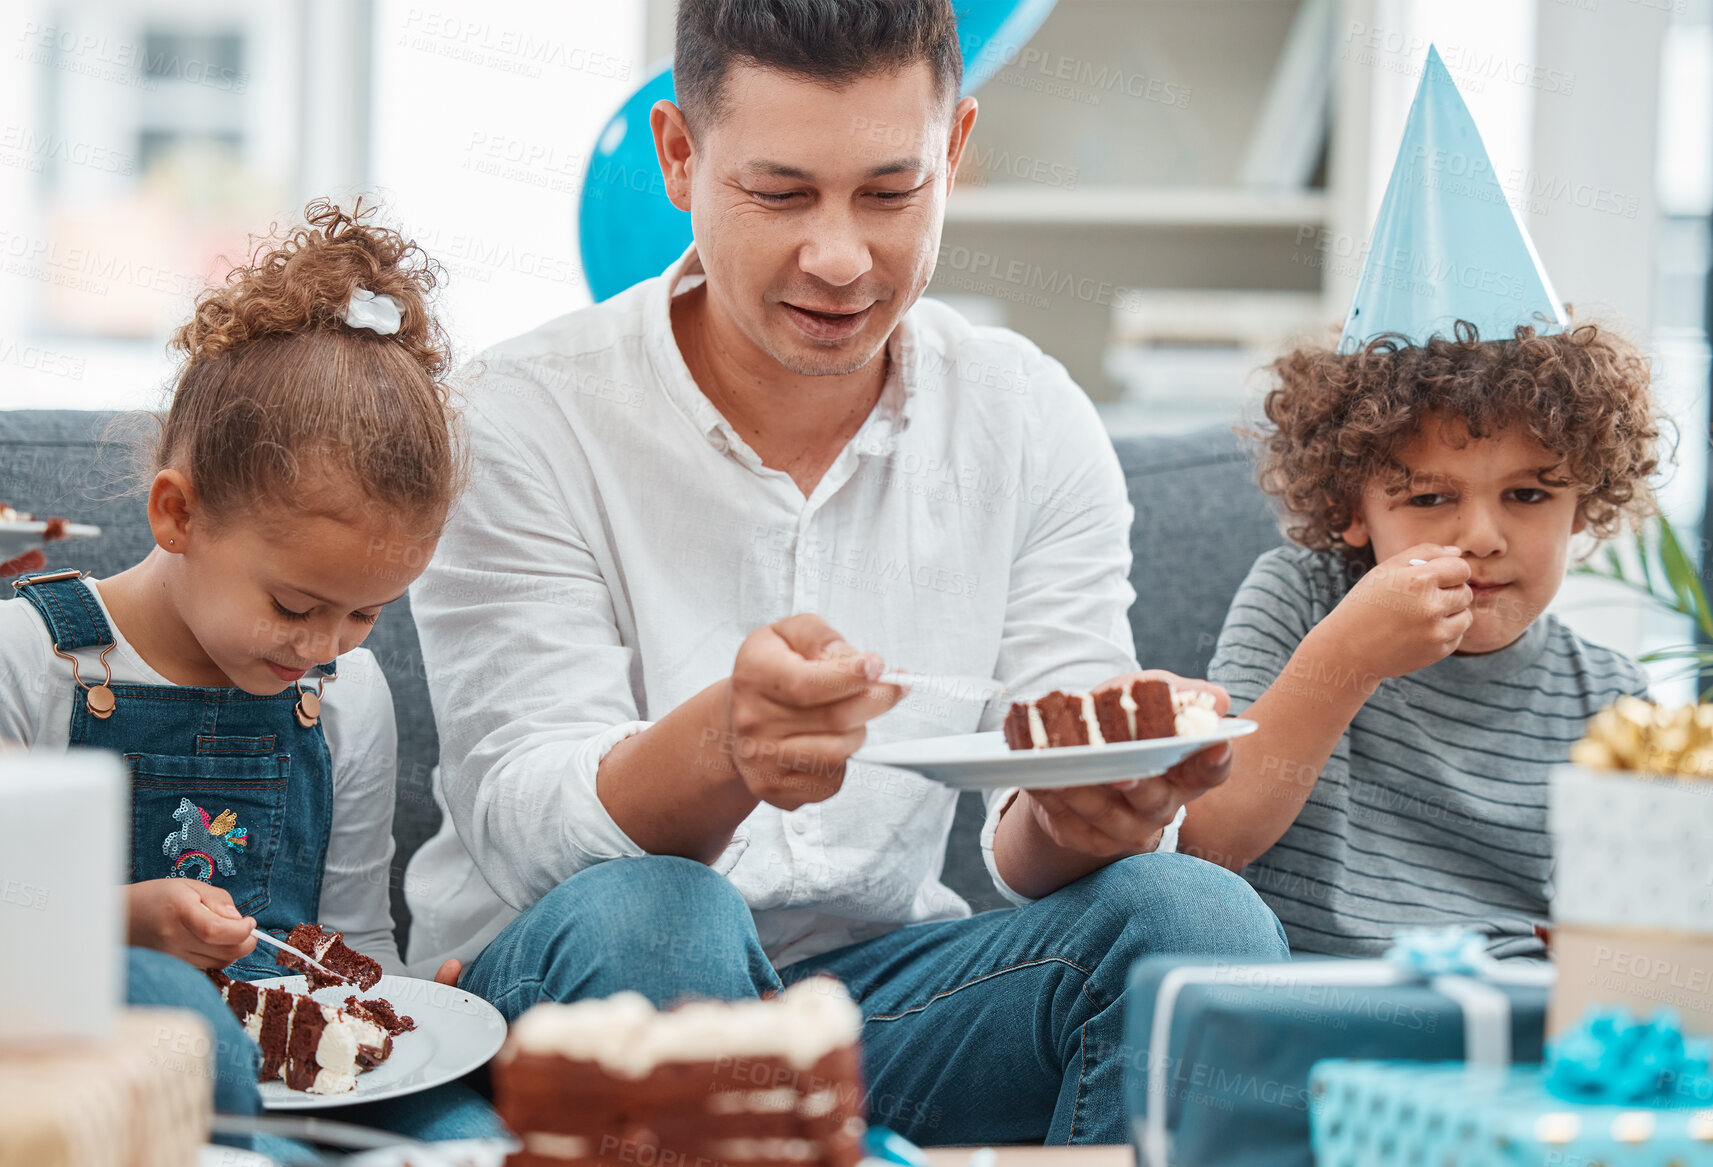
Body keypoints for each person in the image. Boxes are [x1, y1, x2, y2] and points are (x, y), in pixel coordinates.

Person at [405, 0, 1287, 1145]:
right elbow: (527, 823)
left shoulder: (1024, 415)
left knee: (1193, 922)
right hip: (584, 985)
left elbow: (1029, 840)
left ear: (955, 152)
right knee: (661, 917)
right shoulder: (519, 417)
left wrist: (1100, 802)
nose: (839, 258)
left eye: (890, 193)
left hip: (882, 999)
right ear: (680, 157)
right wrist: (729, 745)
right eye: (780, 195)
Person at [0, 201, 495, 1144]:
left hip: (310, 1070)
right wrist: (122, 920)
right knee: (185, 1031)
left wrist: (395, 1003)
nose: (325, 646)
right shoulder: (33, 658)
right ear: (177, 515)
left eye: (367, 613)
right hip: (116, 1068)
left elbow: (358, 934)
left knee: (466, 1133)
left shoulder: (347, 696)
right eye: (297, 607)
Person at [1180, 48, 1662, 959]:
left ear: (1583, 501)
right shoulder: (1301, 600)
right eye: (1430, 496)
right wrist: (1348, 657)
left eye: (1527, 493)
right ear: (1353, 504)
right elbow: (1209, 840)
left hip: (1511, 1036)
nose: (1481, 536)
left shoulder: (1610, 701)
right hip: (1312, 1011)